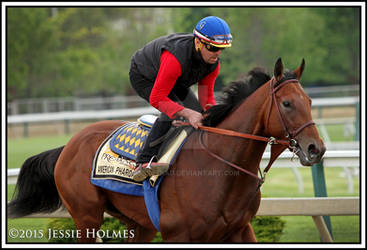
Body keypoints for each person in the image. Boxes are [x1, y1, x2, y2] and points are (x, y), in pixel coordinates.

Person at [129, 16, 232, 182]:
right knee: (175, 110)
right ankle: (142, 162)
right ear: (198, 42)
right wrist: (186, 113)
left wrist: (214, 115)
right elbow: (158, 99)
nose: (217, 53)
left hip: (175, 79)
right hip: (144, 75)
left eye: (222, 49)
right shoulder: (175, 59)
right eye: (213, 47)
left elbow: (207, 99)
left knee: (199, 113)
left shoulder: (213, 64)